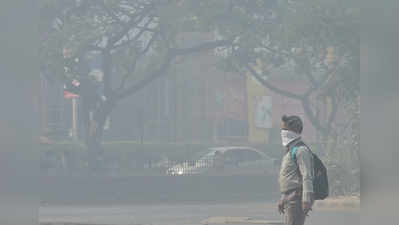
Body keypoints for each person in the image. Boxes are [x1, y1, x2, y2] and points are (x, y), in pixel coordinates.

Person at [278, 115, 314, 225]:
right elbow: (290, 178)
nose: (282, 132)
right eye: (282, 129)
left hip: (296, 199)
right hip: (289, 199)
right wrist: (283, 198)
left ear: (295, 130)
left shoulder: (301, 150)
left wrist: (306, 200)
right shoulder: (290, 150)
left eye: (285, 129)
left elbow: (307, 175)